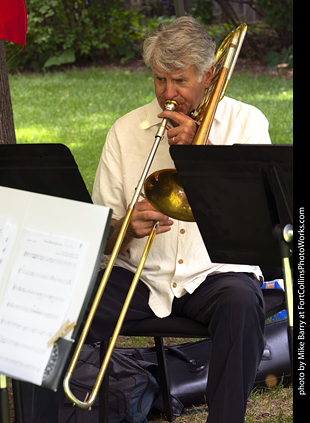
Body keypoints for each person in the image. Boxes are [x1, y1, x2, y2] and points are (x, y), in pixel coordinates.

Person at [88, 16, 271, 423]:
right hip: (141, 273)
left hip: (215, 272)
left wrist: (200, 152)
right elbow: (97, 235)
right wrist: (122, 229)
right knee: (65, 300)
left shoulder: (248, 123)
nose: (167, 95)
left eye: (180, 82)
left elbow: (254, 219)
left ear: (208, 76)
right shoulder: (124, 131)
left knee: (242, 304)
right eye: (159, 80)